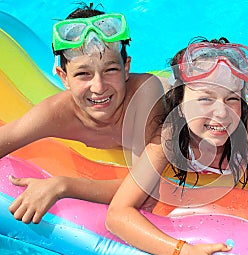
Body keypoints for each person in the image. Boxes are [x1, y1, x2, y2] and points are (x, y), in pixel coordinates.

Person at [106, 37, 248, 255]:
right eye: (205, 98)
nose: (221, 112)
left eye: (231, 98)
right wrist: (181, 253)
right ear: (181, 103)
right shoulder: (169, 134)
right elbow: (117, 214)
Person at [6, 3, 164, 224]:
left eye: (110, 70)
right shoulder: (58, 113)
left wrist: (62, 185)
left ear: (126, 68)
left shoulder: (145, 95)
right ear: (63, 77)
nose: (99, 87)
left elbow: (144, 190)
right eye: (83, 74)